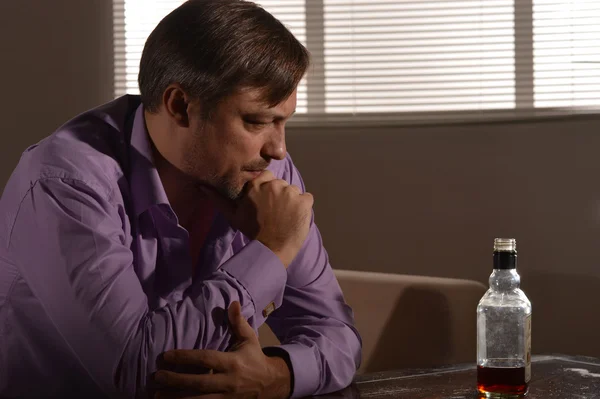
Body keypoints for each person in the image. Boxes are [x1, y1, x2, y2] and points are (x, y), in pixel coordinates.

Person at [0, 0, 362, 398]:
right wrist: (270, 249)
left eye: (284, 120)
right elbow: (139, 372)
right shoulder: (65, 183)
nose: (278, 149)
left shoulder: (265, 172)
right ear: (179, 106)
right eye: (257, 121)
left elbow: (338, 335)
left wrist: (278, 375)